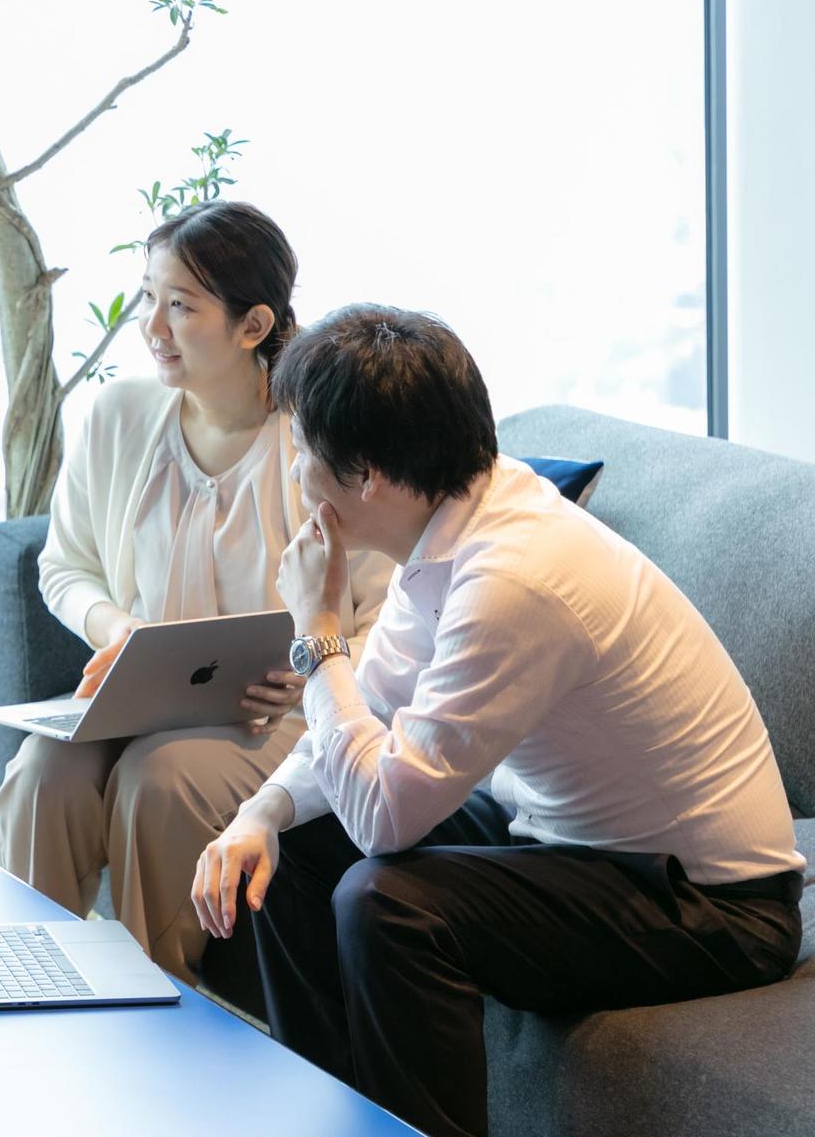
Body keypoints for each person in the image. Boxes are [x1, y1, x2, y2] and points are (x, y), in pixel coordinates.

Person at [190, 305, 806, 1137]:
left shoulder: (513, 579)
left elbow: (383, 818)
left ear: (366, 474)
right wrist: (260, 814)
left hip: (711, 908)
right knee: (291, 846)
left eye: (301, 452)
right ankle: (333, 1118)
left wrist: (317, 631)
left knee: (387, 903)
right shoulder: (451, 523)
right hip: (571, 842)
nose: (295, 474)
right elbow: (371, 706)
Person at [0, 201, 391, 981]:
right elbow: (63, 567)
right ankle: (31, 989)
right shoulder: (118, 416)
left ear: (253, 325)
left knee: (160, 780)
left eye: (180, 305)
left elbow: (388, 615)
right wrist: (120, 632)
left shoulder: (318, 441)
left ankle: (155, 1002)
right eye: (149, 297)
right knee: (44, 774)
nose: (152, 327)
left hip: (273, 712)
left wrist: (318, 669)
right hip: (140, 696)